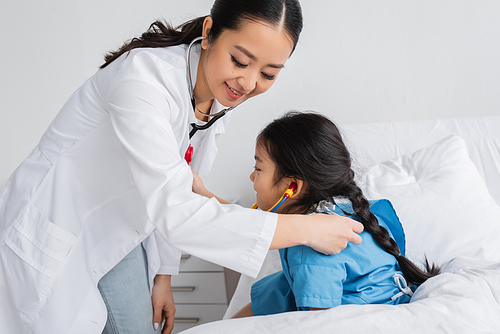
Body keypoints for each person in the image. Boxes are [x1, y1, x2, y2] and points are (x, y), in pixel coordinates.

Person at [0, 1, 364, 334]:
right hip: (58, 224)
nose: (249, 83)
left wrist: (163, 277)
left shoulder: (213, 100)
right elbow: (177, 209)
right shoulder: (142, 80)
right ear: (209, 33)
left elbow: (182, 187)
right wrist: (306, 229)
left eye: (269, 74)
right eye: (240, 61)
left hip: (120, 233)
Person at [192, 111, 441, 318]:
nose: (252, 177)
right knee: (280, 289)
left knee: (282, 291)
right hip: (381, 301)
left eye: (258, 168)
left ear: (293, 187)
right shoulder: (352, 210)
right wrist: (206, 195)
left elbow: (320, 324)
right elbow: (252, 222)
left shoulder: (313, 245)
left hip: (351, 318)